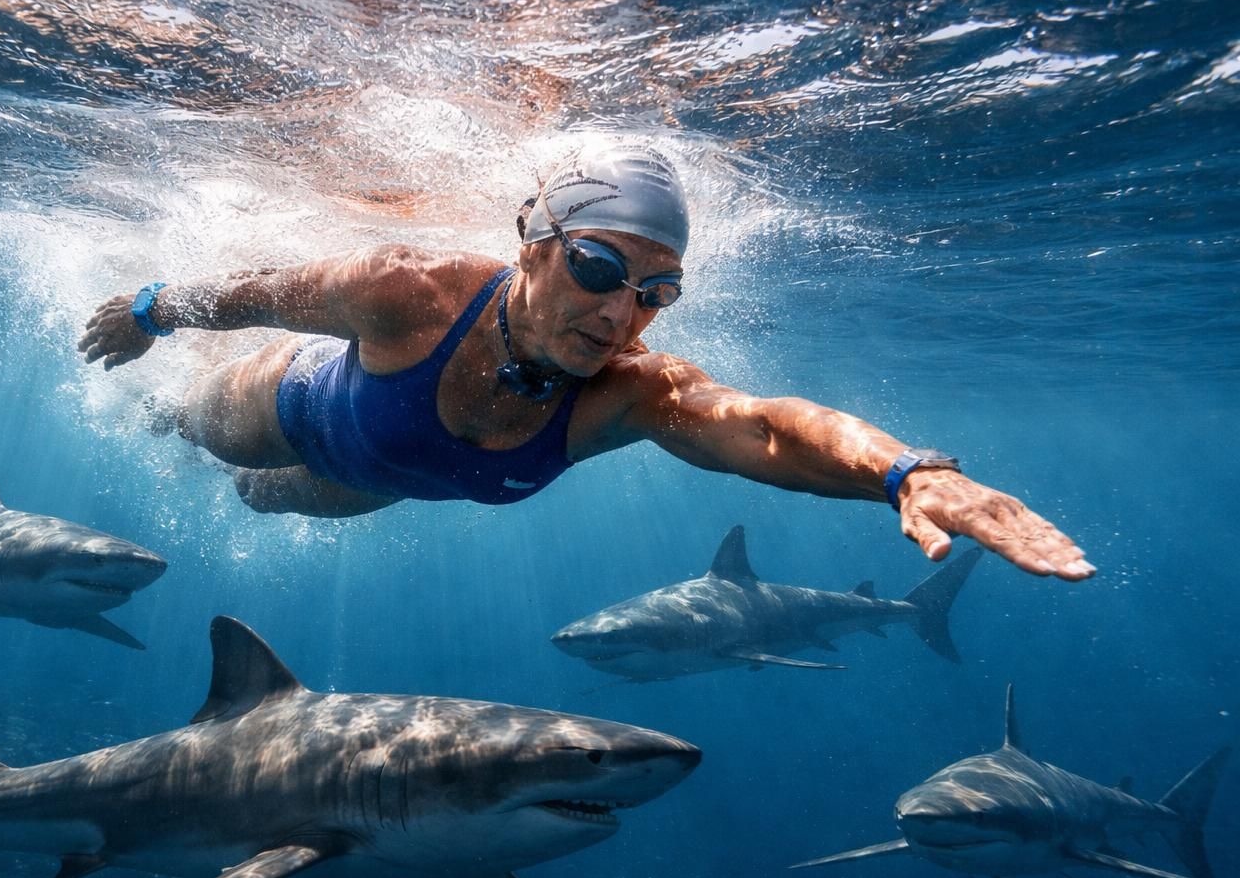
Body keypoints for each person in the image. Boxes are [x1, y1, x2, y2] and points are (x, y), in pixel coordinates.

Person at [79, 144, 1094, 581]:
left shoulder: (629, 394)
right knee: (202, 436)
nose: (620, 314)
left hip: (374, 477)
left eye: (656, 291)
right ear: (535, 242)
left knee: (263, 503)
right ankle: (163, 415)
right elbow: (253, 292)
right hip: (295, 404)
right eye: (600, 267)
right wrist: (148, 311)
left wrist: (906, 471)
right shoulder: (407, 290)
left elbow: (765, 427)